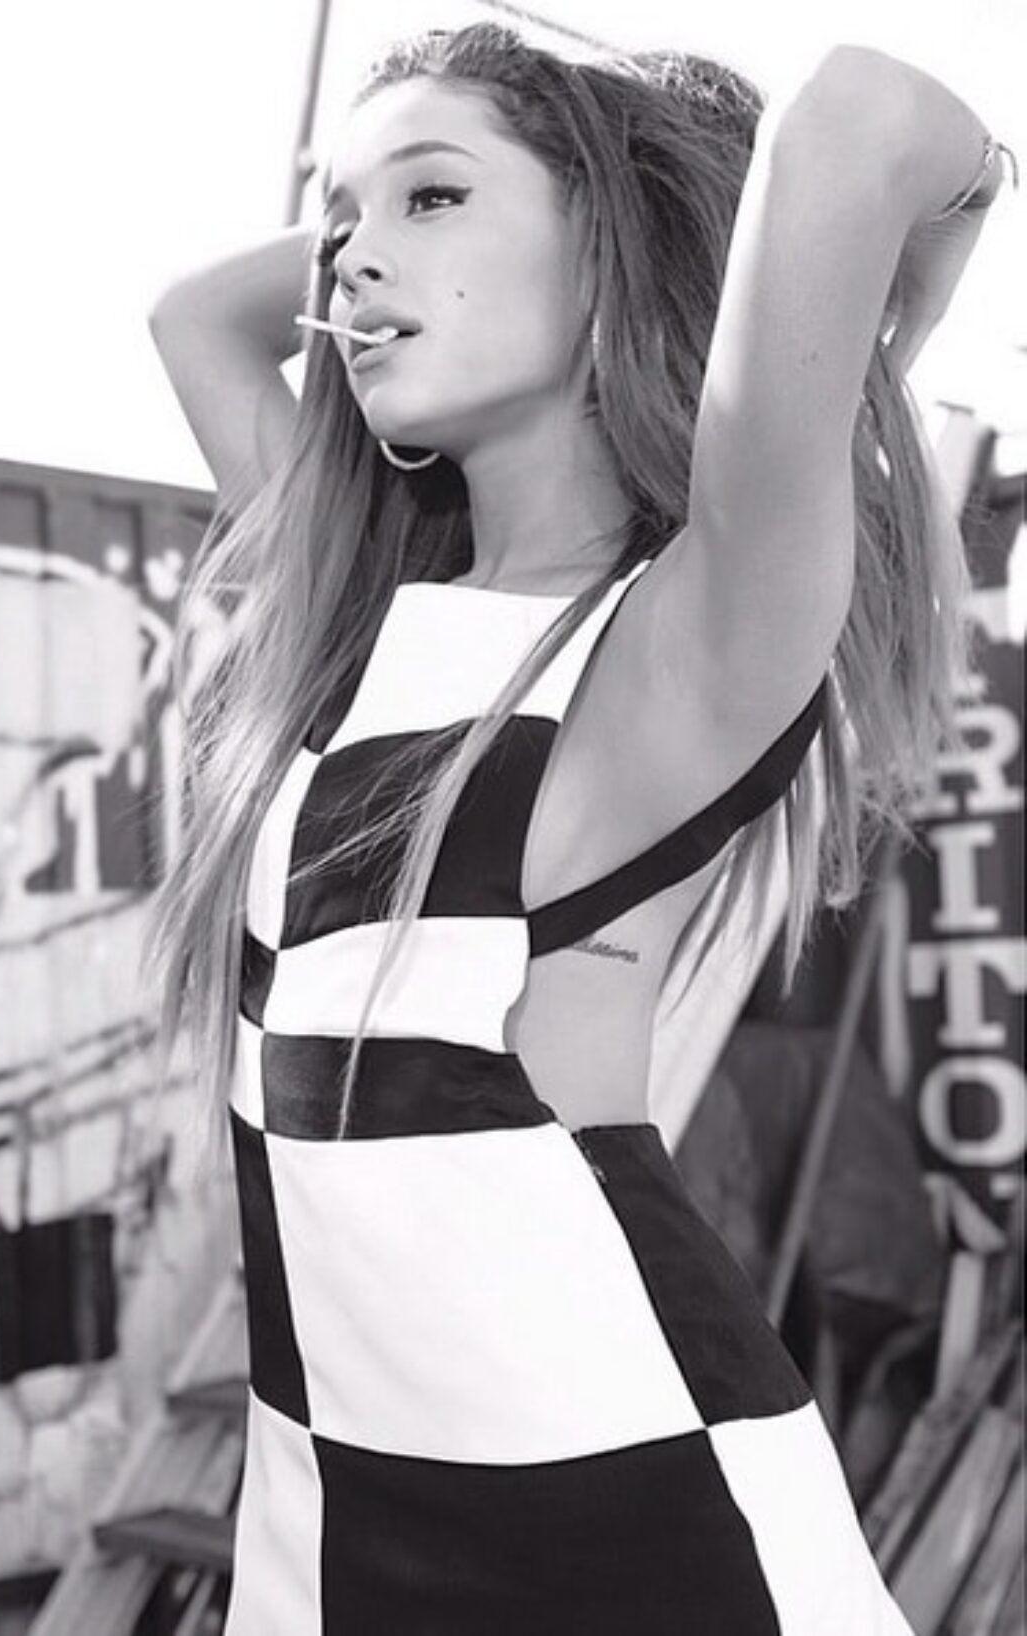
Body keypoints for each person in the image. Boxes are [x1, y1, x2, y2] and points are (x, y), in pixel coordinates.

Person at [144, 22, 1009, 1634]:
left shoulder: (683, 629)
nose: (354, 262)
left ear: (607, 242)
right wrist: (413, 203)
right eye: (341, 225)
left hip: (628, 1505)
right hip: (323, 1506)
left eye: (434, 199)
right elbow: (192, 316)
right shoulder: (353, 613)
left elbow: (862, 116)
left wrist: (881, 246)